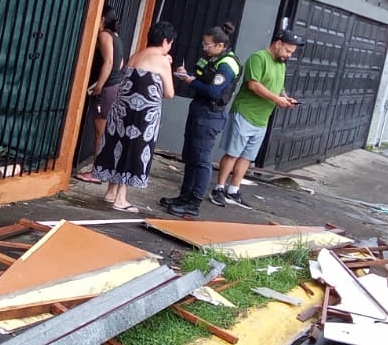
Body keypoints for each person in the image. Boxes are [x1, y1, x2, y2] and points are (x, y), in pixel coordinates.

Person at [210, 28, 305, 209]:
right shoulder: (258, 58)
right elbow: (253, 84)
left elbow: (279, 87)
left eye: (292, 52)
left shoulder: (281, 65)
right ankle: (219, 188)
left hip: (262, 118)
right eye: (287, 51)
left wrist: (285, 97)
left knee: (247, 157)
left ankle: (233, 190)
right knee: (233, 153)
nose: (289, 55)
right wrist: (277, 99)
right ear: (278, 44)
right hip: (245, 113)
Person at [91, 21, 178, 213]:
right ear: (165, 41)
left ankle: (111, 192)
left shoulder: (136, 54)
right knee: (133, 151)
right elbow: (170, 93)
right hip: (143, 116)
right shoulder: (162, 60)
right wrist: (168, 66)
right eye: (170, 43)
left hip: (121, 111)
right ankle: (121, 199)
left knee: (118, 146)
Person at [161, 22, 240, 217]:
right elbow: (199, 77)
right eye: (204, 44)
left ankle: (194, 203)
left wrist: (191, 81)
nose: (204, 48)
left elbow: (214, 91)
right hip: (199, 111)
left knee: (202, 161)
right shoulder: (211, 59)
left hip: (210, 115)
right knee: (190, 157)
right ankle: (184, 196)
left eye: (208, 45)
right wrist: (186, 75)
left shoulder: (227, 65)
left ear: (220, 46)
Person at [74, 9, 126, 184]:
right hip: (115, 85)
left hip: (107, 88)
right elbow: (120, 62)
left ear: (102, 19)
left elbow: (110, 62)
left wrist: (99, 86)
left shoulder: (104, 35)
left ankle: (97, 172)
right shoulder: (116, 36)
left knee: (100, 132)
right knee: (104, 130)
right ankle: (103, 169)